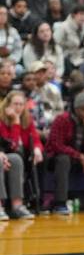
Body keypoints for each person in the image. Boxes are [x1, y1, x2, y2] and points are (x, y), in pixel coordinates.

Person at [45, 92, 84, 215]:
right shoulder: (62, 120)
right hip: (56, 158)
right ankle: (60, 203)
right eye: (83, 110)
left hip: (78, 158)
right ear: (76, 109)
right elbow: (56, 145)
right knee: (63, 159)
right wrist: (79, 156)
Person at [0, 91, 39, 219]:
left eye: (21, 104)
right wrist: (16, 122)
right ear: (7, 105)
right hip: (2, 153)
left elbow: (35, 138)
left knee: (16, 159)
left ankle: (17, 205)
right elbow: (12, 145)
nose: (18, 107)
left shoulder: (27, 119)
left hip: (12, 155)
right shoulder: (1, 120)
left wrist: (38, 148)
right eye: (15, 104)